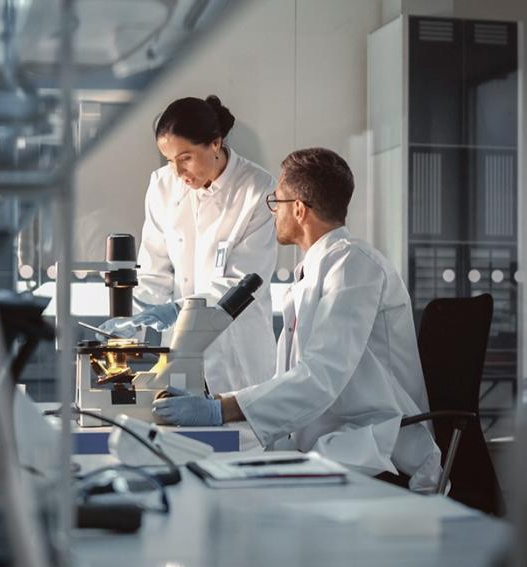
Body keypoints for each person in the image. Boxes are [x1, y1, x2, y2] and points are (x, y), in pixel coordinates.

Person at [154, 148, 443, 492]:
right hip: (331, 441)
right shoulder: (316, 270)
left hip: (375, 447)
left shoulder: (354, 266)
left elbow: (320, 376)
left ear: (299, 209)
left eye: (276, 202)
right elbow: (297, 381)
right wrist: (217, 402)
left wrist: (220, 409)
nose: (274, 212)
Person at [102, 96, 277, 395]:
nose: (178, 172)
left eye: (185, 158)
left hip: (237, 355)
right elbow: (154, 270)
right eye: (170, 161)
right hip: (180, 352)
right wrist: (132, 324)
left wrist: (175, 310)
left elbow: (243, 284)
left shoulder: (258, 189)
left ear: (215, 143)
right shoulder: (162, 186)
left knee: (235, 421)